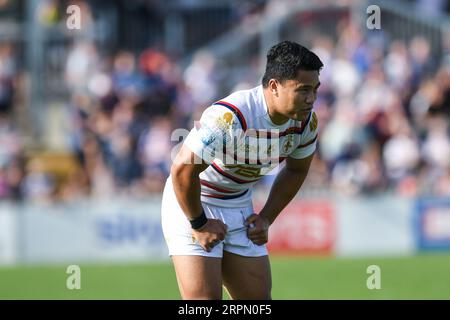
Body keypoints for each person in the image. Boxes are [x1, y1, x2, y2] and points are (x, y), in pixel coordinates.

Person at [161, 41, 323, 299]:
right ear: (274, 87)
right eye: (303, 90)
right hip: (193, 200)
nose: (311, 99)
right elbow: (182, 169)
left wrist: (267, 216)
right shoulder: (232, 116)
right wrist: (199, 223)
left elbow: (296, 171)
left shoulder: (306, 123)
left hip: (238, 203)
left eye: (315, 90)